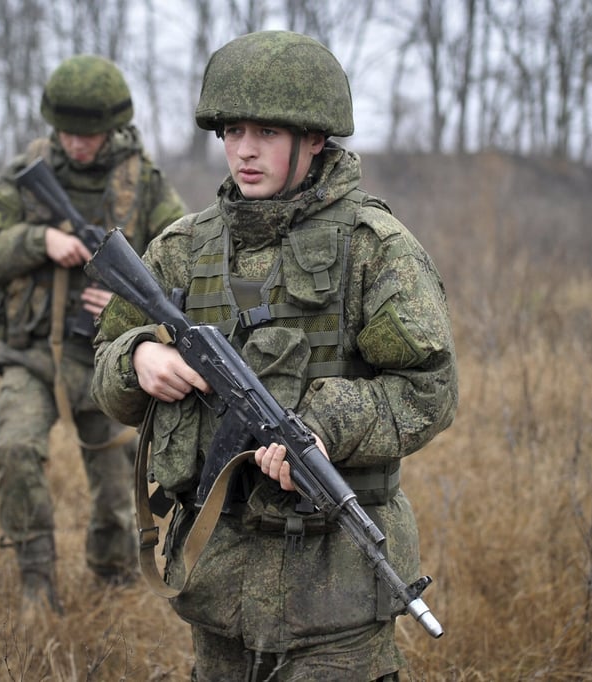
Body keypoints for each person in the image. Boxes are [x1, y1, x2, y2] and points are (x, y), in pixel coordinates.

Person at [91, 31, 457, 680]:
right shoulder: (182, 247)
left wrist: (325, 425)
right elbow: (108, 376)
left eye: (266, 131)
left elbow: (430, 391)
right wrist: (138, 357)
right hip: (217, 578)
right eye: (232, 130)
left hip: (336, 589)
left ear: (315, 138)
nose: (245, 150)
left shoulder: (375, 248)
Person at [0, 54, 187, 613]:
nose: (79, 144)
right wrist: (38, 241)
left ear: (112, 127)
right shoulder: (25, 175)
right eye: (68, 132)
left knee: (117, 487)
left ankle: (112, 591)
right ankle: (36, 585)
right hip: (32, 353)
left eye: (90, 134)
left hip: (107, 359)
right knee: (16, 447)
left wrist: (125, 299)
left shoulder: (143, 182)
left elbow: (186, 270)